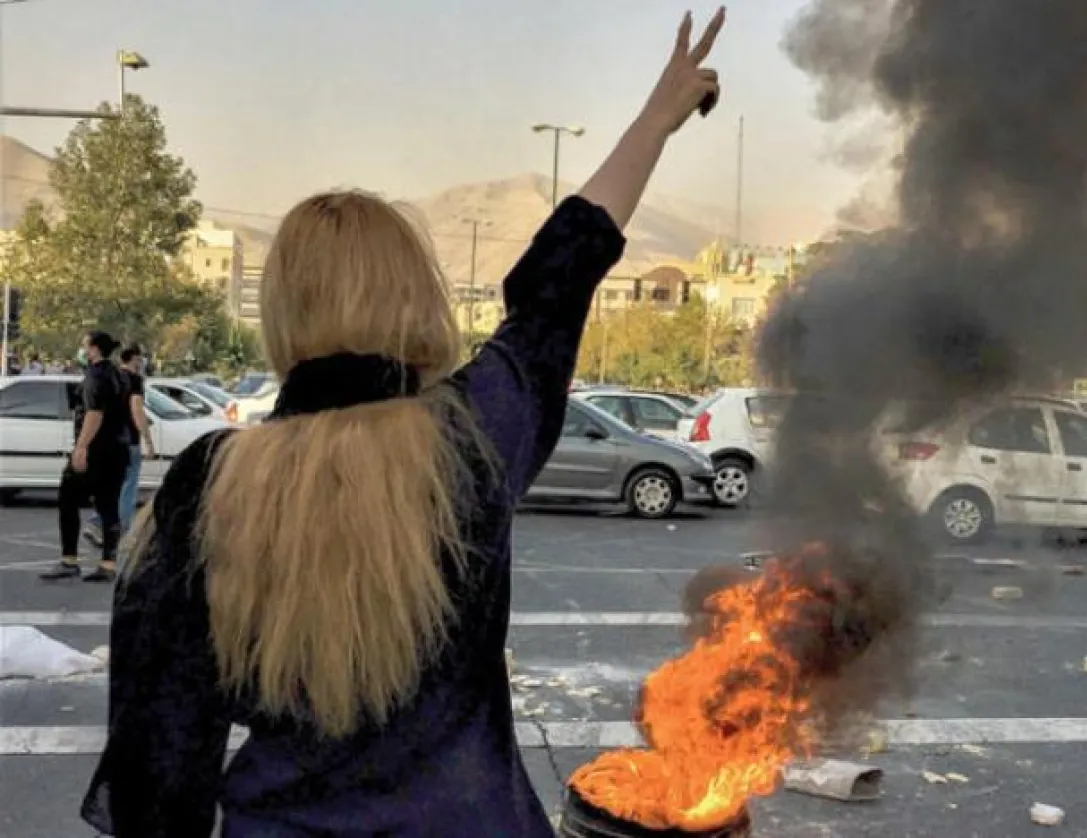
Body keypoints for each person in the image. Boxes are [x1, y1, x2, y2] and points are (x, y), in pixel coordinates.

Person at [80, 9, 723, 837]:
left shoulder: (212, 481)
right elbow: (558, 281)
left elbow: (162, 757)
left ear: (283, 313)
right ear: (413, 295)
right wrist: (654, 123)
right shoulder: (473, 436)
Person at [40, 331, 133, 582]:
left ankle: (69, 560)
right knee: (108, 506)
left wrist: (81, 447)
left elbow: (94, 413)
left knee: (68, 499)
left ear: (93, 349)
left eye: (85, 345)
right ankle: (108, 564)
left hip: (97, 449)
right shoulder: (119, 374)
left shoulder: (95, 375)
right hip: (118, 449)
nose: (82, 350)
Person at [85, 345, 154, 546]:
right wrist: (147, 440)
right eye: (140, 358)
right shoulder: (134, 380)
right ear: (133, 359)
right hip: (128, 441)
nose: (142, 362)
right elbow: (137, 409)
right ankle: (119, 530)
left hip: (108, 440)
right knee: (128, 487)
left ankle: (98, 522)